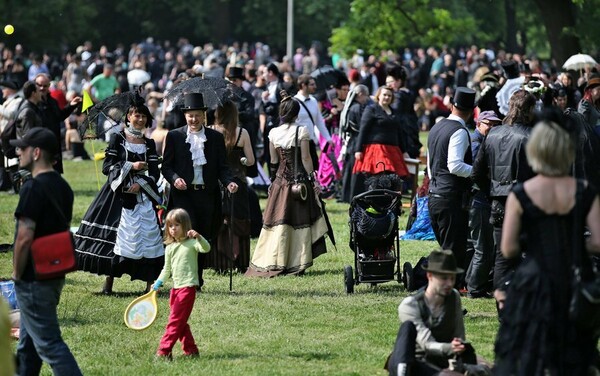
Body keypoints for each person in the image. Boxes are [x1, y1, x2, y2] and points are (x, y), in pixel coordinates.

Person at [494, 120, 600, 375]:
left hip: (534, 281)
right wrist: (575, 244)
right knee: (573, 352)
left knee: (531, 352)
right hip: (573, 278)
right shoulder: (584, 190)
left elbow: (508, 249)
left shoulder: (521, 193)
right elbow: (598, 242)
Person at [74, 95, 164, 294]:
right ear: (128, 118)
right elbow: (107, 167)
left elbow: (155, 173)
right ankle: (108, 285)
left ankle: (149, 285)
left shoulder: (149, 143)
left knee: (148, 238)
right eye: (136, 115)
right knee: (116, 239)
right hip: (118, 196)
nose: (139, 119)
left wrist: (141, 183)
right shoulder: (118, 138)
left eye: (143, 116)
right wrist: (131, 166)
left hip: (143, 197)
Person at [10, 127, 82, 375]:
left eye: (23, 148)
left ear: (37, 152)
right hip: (54, 274)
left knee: (50, 345)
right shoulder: (64, 187)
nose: (18, 152)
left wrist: (16, 274)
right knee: (28, 347)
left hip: (32, 278)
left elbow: (24, 237)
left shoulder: (32, 188)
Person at [246, 91, 329, 277]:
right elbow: (306, 159)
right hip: (299, 182)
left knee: (278, 221)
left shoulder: (273, 132)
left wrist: (273, 182)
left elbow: (273, 161)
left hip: (280, 182)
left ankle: (274, 259)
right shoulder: (302, 131)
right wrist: (314, 179)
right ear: (297, 113)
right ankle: (296, 261)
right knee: (299, 221)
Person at [161, 92, 238, 290]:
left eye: (197, 115)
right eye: (190, 116)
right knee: (186, 234)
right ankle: (186, 278)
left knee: (201, 235)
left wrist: (229, 182)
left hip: (207, 195)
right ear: (185, 116)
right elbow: (166, 167)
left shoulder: (215, 137)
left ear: (204, 115)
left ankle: (198, 279)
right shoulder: (175, 136)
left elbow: (223, 167)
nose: (193, 119)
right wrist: (175, 178)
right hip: (184, 196)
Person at [471, 90, 536, 299]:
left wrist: (492, 193)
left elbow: (476, 173)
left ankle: (503, 303)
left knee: (502, 255)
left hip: (498, 202)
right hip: (523, 202)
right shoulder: (529, 135)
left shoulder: (493, 134)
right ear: (528, 110)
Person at [386, 249, 489, 376]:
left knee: (486, 368)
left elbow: (459, 336)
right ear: (429, 276)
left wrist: (457, 356)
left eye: (452, 278)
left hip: (443, 359)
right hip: (417, 363)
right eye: (444, 278)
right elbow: (426, 344)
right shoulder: (410, 305)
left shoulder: (454, 297)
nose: (449, 283)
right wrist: (450, 348)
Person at [427, 87, 476, 287]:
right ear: (472, 111)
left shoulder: (436, 127)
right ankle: (448, 289)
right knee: (452, 251)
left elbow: (431, 165)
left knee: (448, 249)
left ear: (452, 105)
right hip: (450, 198)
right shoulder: (460, 131)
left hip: (434, 195)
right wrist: (477, 173)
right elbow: (455, 165)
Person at [153, 208, 211, 360]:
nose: (173, 229)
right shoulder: (170, 248)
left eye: (177, 225)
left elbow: (206, 248)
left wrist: (198, 237)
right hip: (175, 290)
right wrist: (158, 283)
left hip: (187, 289)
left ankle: (164, 352)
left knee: (175, 322)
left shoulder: (192, 243)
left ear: (186, 226)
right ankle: (191, 351)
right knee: (181, 323)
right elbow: (166, 270)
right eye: (170, 226)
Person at [207, 101, 255, 273]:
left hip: (217, 182)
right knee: (240, 221)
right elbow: (251, 161)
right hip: (238, 182)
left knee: (218, 221)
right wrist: (241, 160)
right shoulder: (242, 133)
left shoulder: (210, 130)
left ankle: (219, 262)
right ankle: (241, 262)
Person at [466, 111, 502, 298]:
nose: (493, 127)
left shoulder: (485, 141)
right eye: (489, 124)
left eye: (496, 124)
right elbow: (476, 172)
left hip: (481, 200)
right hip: (479, 200)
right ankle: (475, 289)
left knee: (483, 247)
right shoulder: (476, 143)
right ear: (479, 123)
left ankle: (472, 283)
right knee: (483, 248)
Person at [352, 86, 409, 198]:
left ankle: (388, 202)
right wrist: (358, 150)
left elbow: (399, 132)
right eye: (384, 95)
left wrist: (404, 151)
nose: (387, 97)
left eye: (389, 95)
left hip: (393, 150)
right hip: (376, 150)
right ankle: (374, 200)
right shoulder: (371, 109)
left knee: (392, 178)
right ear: (379, 95)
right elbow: (363, 130)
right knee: (378, 177)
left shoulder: (395, 112)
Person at [34, 73, 82, 174]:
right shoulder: (32, 103)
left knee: (54, 172)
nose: (42, 88)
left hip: (53, 140)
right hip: (39, 142)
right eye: (39, 85)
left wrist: (71, 105)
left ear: (49, 86)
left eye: (45, 85)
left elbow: (59, 116)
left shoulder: (53, 101)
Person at [338, 84, 371, 203]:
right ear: (361, 94)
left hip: (352, 141)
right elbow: (361, 126)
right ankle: (352, 194)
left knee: (349, 170)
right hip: (357, 141)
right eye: (366, 96)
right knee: (354, 170)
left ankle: (346, 195)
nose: (367, 99)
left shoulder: (351, 106)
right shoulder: (357, 108)